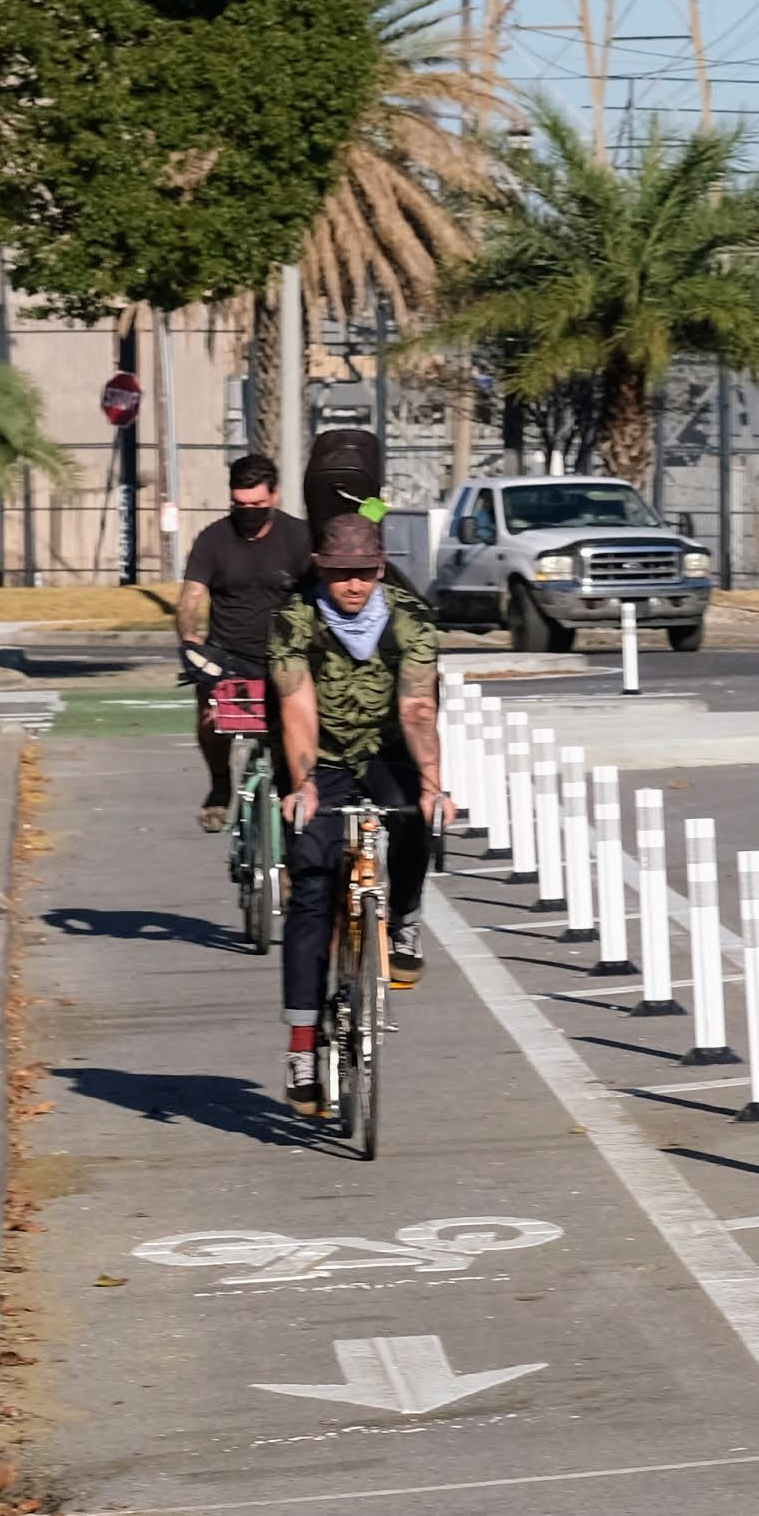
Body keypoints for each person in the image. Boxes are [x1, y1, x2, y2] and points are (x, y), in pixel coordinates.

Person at [272, 514, 456, 1106]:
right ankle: (303, 1046)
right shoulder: (294, 618)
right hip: (320, 756)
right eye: (341, 574)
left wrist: (433, 786)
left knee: (412, 818)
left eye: (364, 572)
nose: (353, 585)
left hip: (389, 750)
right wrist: (302, 785)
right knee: (312, 889)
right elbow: (296, 705)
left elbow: (418, 706)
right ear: (322, 570)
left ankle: (403, 915)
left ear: (381, 567)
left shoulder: (411, 617)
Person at [178, 452, 314, 828]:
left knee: (299, 731)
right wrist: (192, 645)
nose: (249, 512)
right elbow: (192, 598)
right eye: (240, 505)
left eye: (257, 504)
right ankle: (220, 783)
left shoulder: (300, 538)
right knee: (210, 715)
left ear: (275, 496)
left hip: (289, 657)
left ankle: (299, 793)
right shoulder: (213, 540)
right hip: (229, 656)